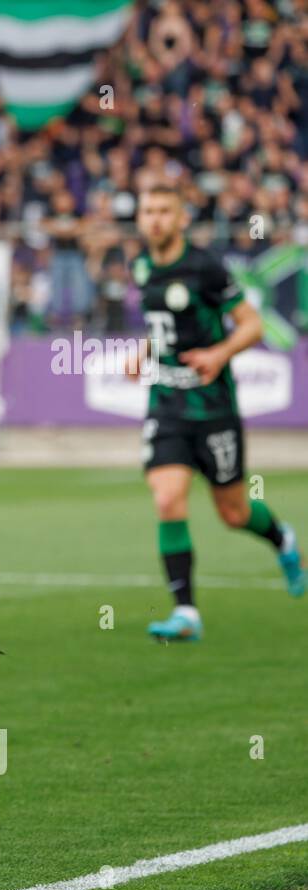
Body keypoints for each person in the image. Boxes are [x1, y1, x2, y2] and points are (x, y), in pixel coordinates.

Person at [134, 184, 303, 642]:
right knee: (168, 497)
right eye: (148, 209)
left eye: (164, 210)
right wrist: (143, 350)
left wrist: (219, 354)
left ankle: (282, 540)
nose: (154, 219)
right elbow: (162, 326)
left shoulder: (205, 267)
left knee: (232, 512)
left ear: (182, 218)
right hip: (166, 405)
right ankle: (186, 612)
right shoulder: (142, 265)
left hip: (213, 409)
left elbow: (250, 324)